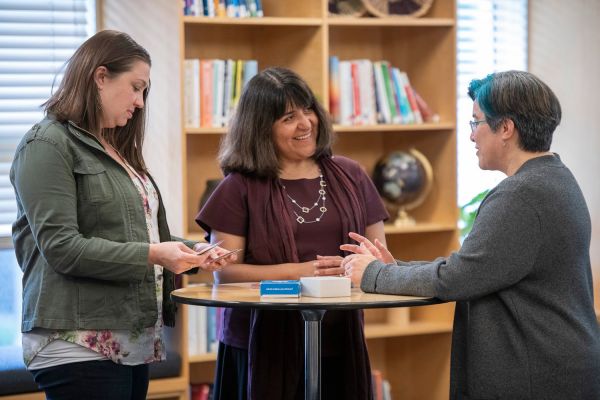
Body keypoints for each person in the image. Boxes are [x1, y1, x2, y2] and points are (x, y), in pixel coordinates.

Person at [341, 70, 600, 400]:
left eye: (476, 123)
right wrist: (396, 270)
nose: (471, 136)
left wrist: (376, 275)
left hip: (535, 372)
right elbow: (481, 268)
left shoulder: (520, 195)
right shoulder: (556, 178)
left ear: (505, 128)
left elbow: (458, 278)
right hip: (556, 365)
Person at [10, 30, 235, 400]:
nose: (141, 101)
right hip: (77, 344)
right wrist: (155, 255)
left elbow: (141, 237)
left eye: (144, 91)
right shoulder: (46, 145)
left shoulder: (115, 150)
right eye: (135, 87)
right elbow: (63, 248)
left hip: (131, 341)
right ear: (100, 77)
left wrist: (196, 252)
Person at [196, 66, 389, 400]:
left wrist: (371, 266)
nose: (305, 123)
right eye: (288, 117)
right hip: (260, 345)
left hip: (339, 338)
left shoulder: (352, 175)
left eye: (308, 109)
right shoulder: (237, 188)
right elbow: (224, 273)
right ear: (260, 128)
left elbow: (378, 255)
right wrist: (304, 273)